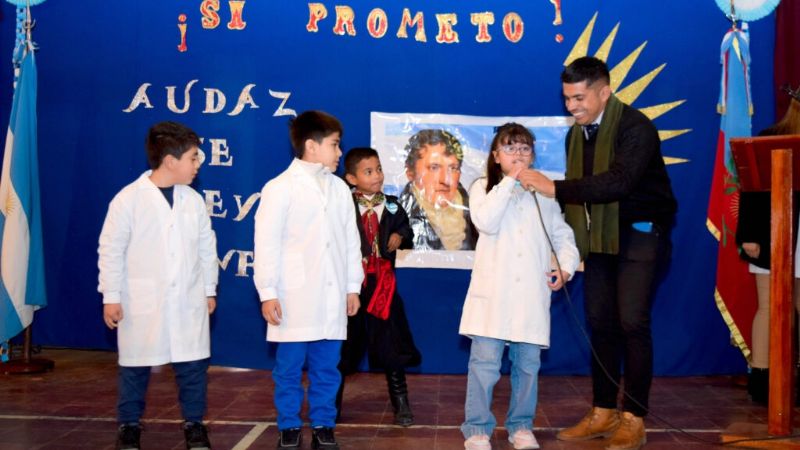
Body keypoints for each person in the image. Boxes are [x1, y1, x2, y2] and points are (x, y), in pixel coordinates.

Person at [527, 56, 677, 450]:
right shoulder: (576, 136)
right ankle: (603, 411)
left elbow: (618, 182)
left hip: (641, 233)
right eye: (567, 99)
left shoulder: (636, 127)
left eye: (579, 98)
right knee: (600, 321)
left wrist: (555, 188)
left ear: (604, 92)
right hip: (600, 238)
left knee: (632, 322)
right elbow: (582, 195)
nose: (571, 106)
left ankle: (634, 417)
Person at [98, 121, 219, 450]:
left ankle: (194, 423)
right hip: (141, 301)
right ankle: (129, 425)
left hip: (188, 297)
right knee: (135, 365)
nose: (198, 164)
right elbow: (111, 250)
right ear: (170, 161)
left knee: (192, 365)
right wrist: (111, 296)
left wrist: (209, 288)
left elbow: (206, 248)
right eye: (193, 158)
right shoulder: (128, 200)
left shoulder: (193, 201)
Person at [459, 123, 579, 450]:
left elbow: (563, 236)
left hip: (530, 295)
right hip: (493, 295)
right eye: (510, 148)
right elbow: (486, 222)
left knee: (527, 366)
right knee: (484, 366)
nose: (518, 154)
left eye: (525, 148)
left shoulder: (544, 191)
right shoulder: (483, 187)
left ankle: (521, 426)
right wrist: (510, 181)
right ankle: (477, 428)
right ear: (496, 156)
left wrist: (566, 267)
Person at [253, 110, 363, 450]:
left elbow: (351, 241)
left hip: (332, 296)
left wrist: (352, 286)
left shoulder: (340, 189)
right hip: (293, 296)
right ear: (312, 146)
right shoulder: (279, 188)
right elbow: (266, 243)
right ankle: (288, 425)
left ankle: (323, 425)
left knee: (327, 368)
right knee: (288, 369)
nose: (340, 152)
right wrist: (268, 291)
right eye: (335, 145)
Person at [337, 147, 422, 426]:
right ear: (352, 179)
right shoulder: (343, 205)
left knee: (391, 345)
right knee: (343, 348)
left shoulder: (392, 204)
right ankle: (330, 406)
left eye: (379, 169)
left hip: (383, 285)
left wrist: (399, 235)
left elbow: (407, 230)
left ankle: (401, 404)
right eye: (368, 171)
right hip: (351, 287)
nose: (377, 176)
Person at [735, 85, 800, 405]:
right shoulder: (771, 138)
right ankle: (762, 378)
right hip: (773, 231)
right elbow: (750, 190)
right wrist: (748, 234)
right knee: (769, 306)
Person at [398, 129, 478, 251]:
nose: (445, 180)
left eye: (453, 168)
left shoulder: (473, 209)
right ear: (410, 173)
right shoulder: (399, 217)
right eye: (434, 168)